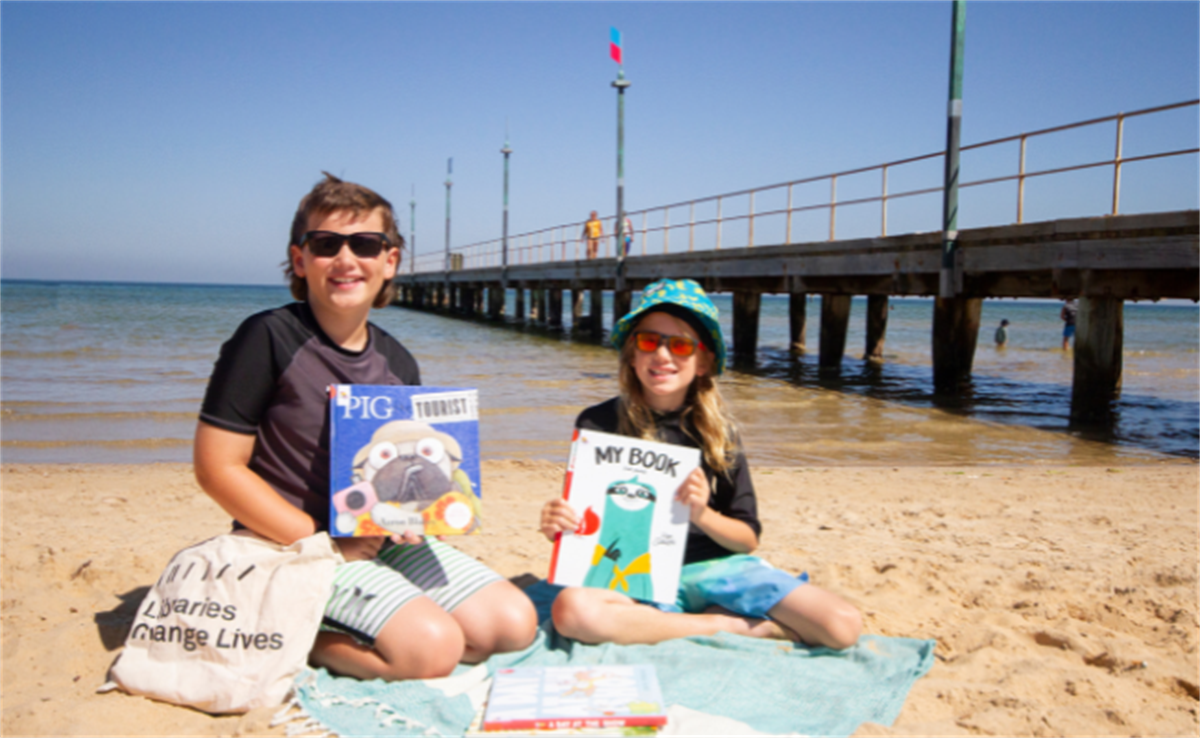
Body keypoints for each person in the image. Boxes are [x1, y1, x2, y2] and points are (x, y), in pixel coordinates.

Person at [194, 173, 537, 681]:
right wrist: (321, 541)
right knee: (433, 650)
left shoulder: (398, 361)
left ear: (390, 260)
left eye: (366, 244)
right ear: (299, 259)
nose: (347, 260)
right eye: (326, 244)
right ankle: (301, 634)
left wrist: (416, 521)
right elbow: (216, 467)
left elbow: (409, 468)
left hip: (377, 538)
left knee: (511, 625)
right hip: (288, 544)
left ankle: (385, 609)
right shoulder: (267, 337)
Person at [539, 279, 862, 649]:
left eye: (680, 345)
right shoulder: (597, 424)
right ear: (632, 352)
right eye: (648, 341)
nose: (662, 355)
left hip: (716, 568)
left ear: (704, 361)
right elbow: (586, 527)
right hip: (630, 576)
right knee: (572, 612)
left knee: (842, 626)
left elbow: (747, 539)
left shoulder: (718, 434)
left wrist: (702, 513)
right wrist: (558, 525)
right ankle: (731, 627)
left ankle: (669, 623)